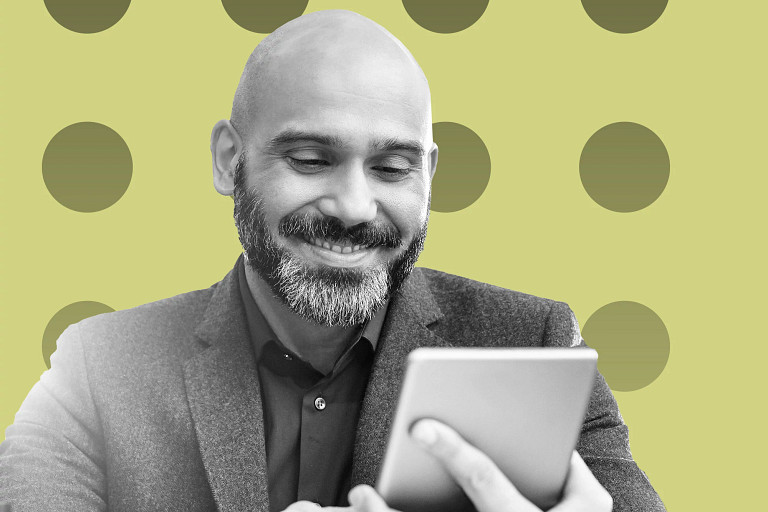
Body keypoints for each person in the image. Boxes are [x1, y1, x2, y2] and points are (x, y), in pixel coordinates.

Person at [0, 10, 665, 512]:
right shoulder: (99, 366)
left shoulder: (535, 346)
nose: (353, 206)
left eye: (392, 168)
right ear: (230, 160)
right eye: (311, 159)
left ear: (429, 176)